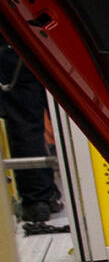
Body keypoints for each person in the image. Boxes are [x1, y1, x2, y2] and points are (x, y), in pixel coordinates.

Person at [0, 41, 63, 225]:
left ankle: (37, 201)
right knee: (69, 119)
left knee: (24, 125)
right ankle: (53, 195)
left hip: (11, 49)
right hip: (41, 41)